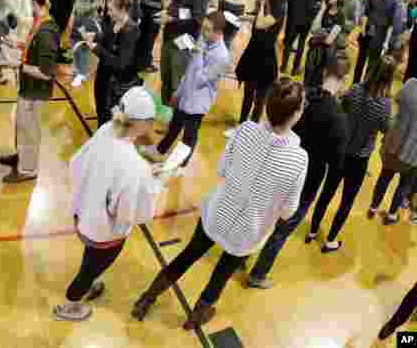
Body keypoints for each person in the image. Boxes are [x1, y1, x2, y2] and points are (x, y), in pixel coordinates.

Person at [132, 77, 309, 329]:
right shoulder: (299, 159)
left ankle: (147, 298)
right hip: (247, 231)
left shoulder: (246, 129)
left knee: (187, 256)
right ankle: (195, 318)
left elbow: (224, 169)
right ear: (295, 115)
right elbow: (288, 211)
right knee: (221, 274)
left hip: (217, 212)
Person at [53, 88, 165, 322]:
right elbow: (130, 214)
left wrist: (143, 173)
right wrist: (152, 182)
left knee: (90, 257)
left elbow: (77, 163)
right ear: (143, 123)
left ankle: (85, 287)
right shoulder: (133, 166)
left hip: (84, 213)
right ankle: (70, 304)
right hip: (105, 230)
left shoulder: (106, 130)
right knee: (91, 268)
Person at [246, 53, 350, 289]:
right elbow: (337, 165)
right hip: (307, 181)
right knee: (281, 231)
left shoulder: (300, 97)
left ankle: (241, 255)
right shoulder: (339, 120)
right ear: (345, 79)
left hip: (279, 165)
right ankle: (258, 274)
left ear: (324, 71)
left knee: (261, 216)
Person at [308, 55, 394, 251]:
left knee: (327, 191)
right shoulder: (385, 105)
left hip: (341, 150)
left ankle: (313, 230)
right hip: (360, 158)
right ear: (389, 79)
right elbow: (385, 128)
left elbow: (342, 107)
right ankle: (330, 240)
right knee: (347, 201)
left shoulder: (355, 90)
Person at [144, 10, 228, 170]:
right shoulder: (204, 39)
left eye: (207, 30)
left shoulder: (221, 56)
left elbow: (199, 80)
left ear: (218, 33)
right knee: (174, 125)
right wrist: (179, 92)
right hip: (186, 95)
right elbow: (190, 71)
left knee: (188, 137)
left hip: (198, 104)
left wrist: (196, 55)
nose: (202, 32)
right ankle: (159, 151)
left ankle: (180, 166)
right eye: (203, 28)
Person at [0, 0, 60, 184]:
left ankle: (28, 169)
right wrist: (16, 44)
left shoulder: (46, 34)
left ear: (33, 2)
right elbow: (31, 48)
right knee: (21, 126)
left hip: (35, 91)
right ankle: (21, 156)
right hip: (27, 87)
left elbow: (47, 72)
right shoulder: (39, 23)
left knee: (29, 130)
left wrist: (18, 65)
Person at [157, 0, 209, 103]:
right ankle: (166, 112)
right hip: (169, 35)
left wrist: (173, 17)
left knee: (177, 82)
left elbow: (197, 18)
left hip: (185, 41)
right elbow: (176, 4)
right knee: (165, 76)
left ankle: (174, 121)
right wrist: (167, 11)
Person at [86, 0, 139, 127]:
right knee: (101, 112)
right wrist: (96, 37)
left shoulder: (131, 31)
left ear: (122, 10)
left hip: (116, 85)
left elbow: (120, 63)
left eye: (111, 10)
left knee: (111, 119)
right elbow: (107, 38)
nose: (108, 13)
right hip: (103, 76)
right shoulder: (113, 21)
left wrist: (96, 49)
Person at [369, 76, 417, 224]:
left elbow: (397, 99)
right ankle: (391, 214)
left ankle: (373, 207)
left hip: (394, 142)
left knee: (384, 177)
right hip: (413, 150)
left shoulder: (410, 84)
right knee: (405, 184)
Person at [234, 9, 279, 127]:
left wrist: (263, 5)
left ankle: (252, 128)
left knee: (260, 101)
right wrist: (247, 17)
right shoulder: (264, 9)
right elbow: (259, 21)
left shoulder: (278, 10)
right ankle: (241, 124)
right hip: (252, 59)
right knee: (248, 97)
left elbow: (260, 23)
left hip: (266, 64)